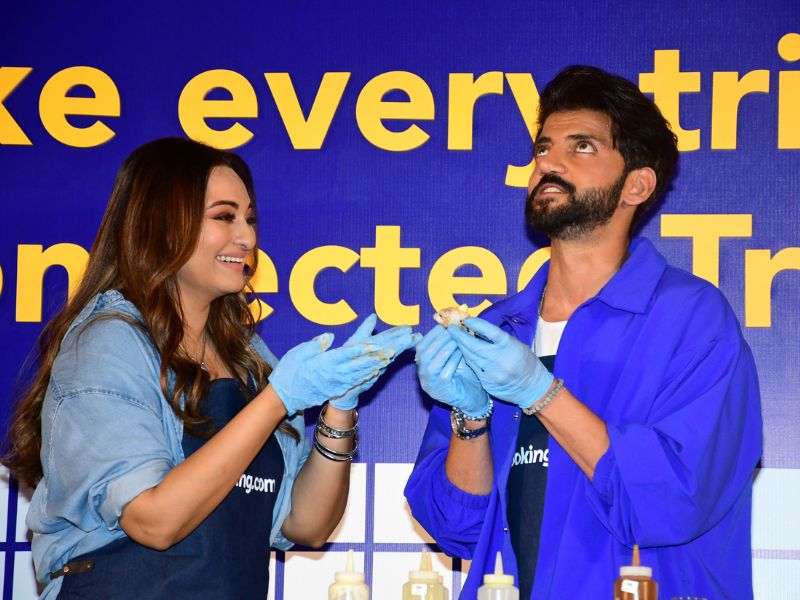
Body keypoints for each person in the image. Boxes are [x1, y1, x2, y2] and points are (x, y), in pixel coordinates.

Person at [2, 137, 419, 599]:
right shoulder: (109, 342)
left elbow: (306, 523)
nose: (248, 238)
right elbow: (153, 521)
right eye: (224, 217)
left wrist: (340, 408)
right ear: (162, 224)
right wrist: (276, 400)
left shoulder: (249, 358)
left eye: (250, 219)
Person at [406, 66, 761, 599]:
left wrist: (540, 392)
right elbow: (456, 527)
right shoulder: (495, 331)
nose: (549, 163)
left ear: (637, 184)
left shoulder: (692, 320)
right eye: (543, 148)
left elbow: (674, 499)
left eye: (583, 146)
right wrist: (471, 419)